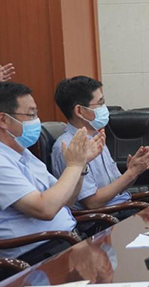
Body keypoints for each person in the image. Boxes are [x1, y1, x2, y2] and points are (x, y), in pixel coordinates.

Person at [0, 82, 103, 263]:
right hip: (35, 257)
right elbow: (45, 209)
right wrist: (74, 165)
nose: (37, 120)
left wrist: (81, 166)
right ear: (3, 120)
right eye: (31, 115)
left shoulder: (23, 153)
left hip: (65, 242)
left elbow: (66, 200)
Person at [51, 76, 149, 212]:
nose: (104, 108)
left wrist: (134, 169)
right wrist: (131, 173)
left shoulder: (95, 135)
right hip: (104, 217)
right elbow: (93, 203)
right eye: (100, 103)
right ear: (80, 111)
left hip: (123, 207)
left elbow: (118, 188)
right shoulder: (69, 146)